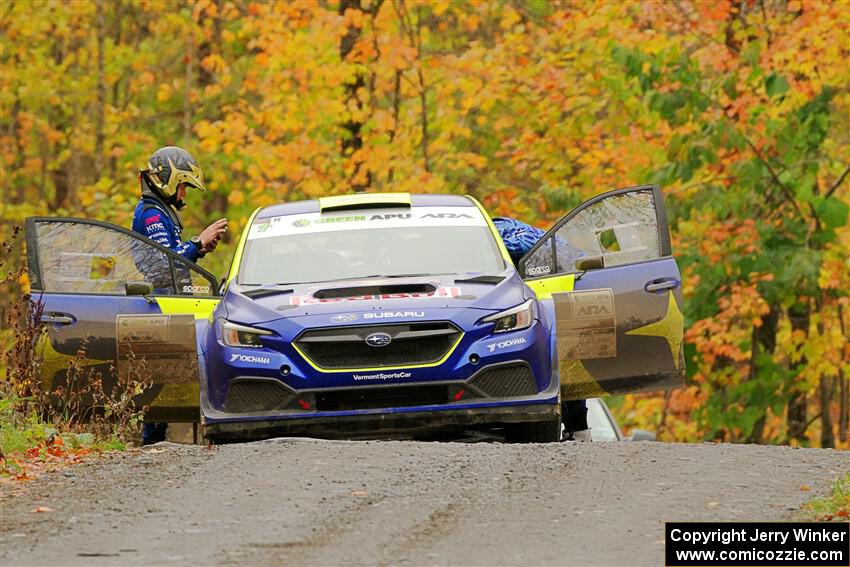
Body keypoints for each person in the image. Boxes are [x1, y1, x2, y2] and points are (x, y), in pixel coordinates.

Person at [132, 146, 228, 445]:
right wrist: (197, 241)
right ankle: (151, 447)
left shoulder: (161, 212)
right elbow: (163, 264)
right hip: (160, 307)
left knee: (172, 382)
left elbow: (172, 261)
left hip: (170, 304)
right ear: (168, 181)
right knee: (162, 383)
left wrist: (197, 249)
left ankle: (164, 444)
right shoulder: (151, 215)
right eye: (184, 186)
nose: (184, 194)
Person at [492, 217, 591, 442]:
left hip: (556, 293)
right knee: (565, 359)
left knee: (561, 358)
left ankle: (578, 428)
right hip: (570, 285)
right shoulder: (511, 231)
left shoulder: (503, 237)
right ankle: (579, 429)